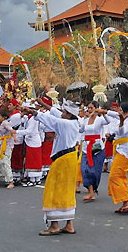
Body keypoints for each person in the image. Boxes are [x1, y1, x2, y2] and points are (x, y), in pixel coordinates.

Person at [34, 98, 79, 236]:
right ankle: (69, 224)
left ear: (69, 115)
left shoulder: (65, 124)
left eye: (64, 112)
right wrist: (44, 105)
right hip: (70, 158)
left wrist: (34, 112)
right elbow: (55, 113)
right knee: (67, 191)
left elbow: (52, 120)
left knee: (53, 191)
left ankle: (54, 226)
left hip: (62, 160)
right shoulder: (74, 122)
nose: (61, 114)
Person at [103, 102, 128, 214]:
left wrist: (121, 122)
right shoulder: (125, 118)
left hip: (125, 151)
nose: (119, 112)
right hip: (120, 148)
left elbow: (122, 131)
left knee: (115, 175)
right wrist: (104, 112)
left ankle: (127, 199)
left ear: (126, 112)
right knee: (120, 176)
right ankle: (125, 202)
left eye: (121, 110)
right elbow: (113, 114)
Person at [79, 101, 109, 202]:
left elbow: (108, 121)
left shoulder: (100, 119)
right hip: (86, 146)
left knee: (94, 171)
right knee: (84, 169)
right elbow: (81, 130)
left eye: (91, 108)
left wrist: (103, 113)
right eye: (88, 108)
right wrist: (83, 118)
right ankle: (90, 191)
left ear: (96, 108)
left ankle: (93, 190)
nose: (89, 110)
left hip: (97, 147)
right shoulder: (86, 120)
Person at [13, 105, 43, 186]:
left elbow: (29, 131)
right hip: (30, 141)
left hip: (33, 141)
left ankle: (34, 179)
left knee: (33, 160)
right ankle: (35, 178)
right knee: (33, 159)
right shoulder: (28, 118)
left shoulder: (33, 119)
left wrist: (16, 132)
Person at [0, 111, 15, 189]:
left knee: (5, 162)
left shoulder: (5, 123)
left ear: (4, 117)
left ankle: (10, 181)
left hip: (7, 145)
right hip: (2, 145)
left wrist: (14, 137)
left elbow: (11, 130)